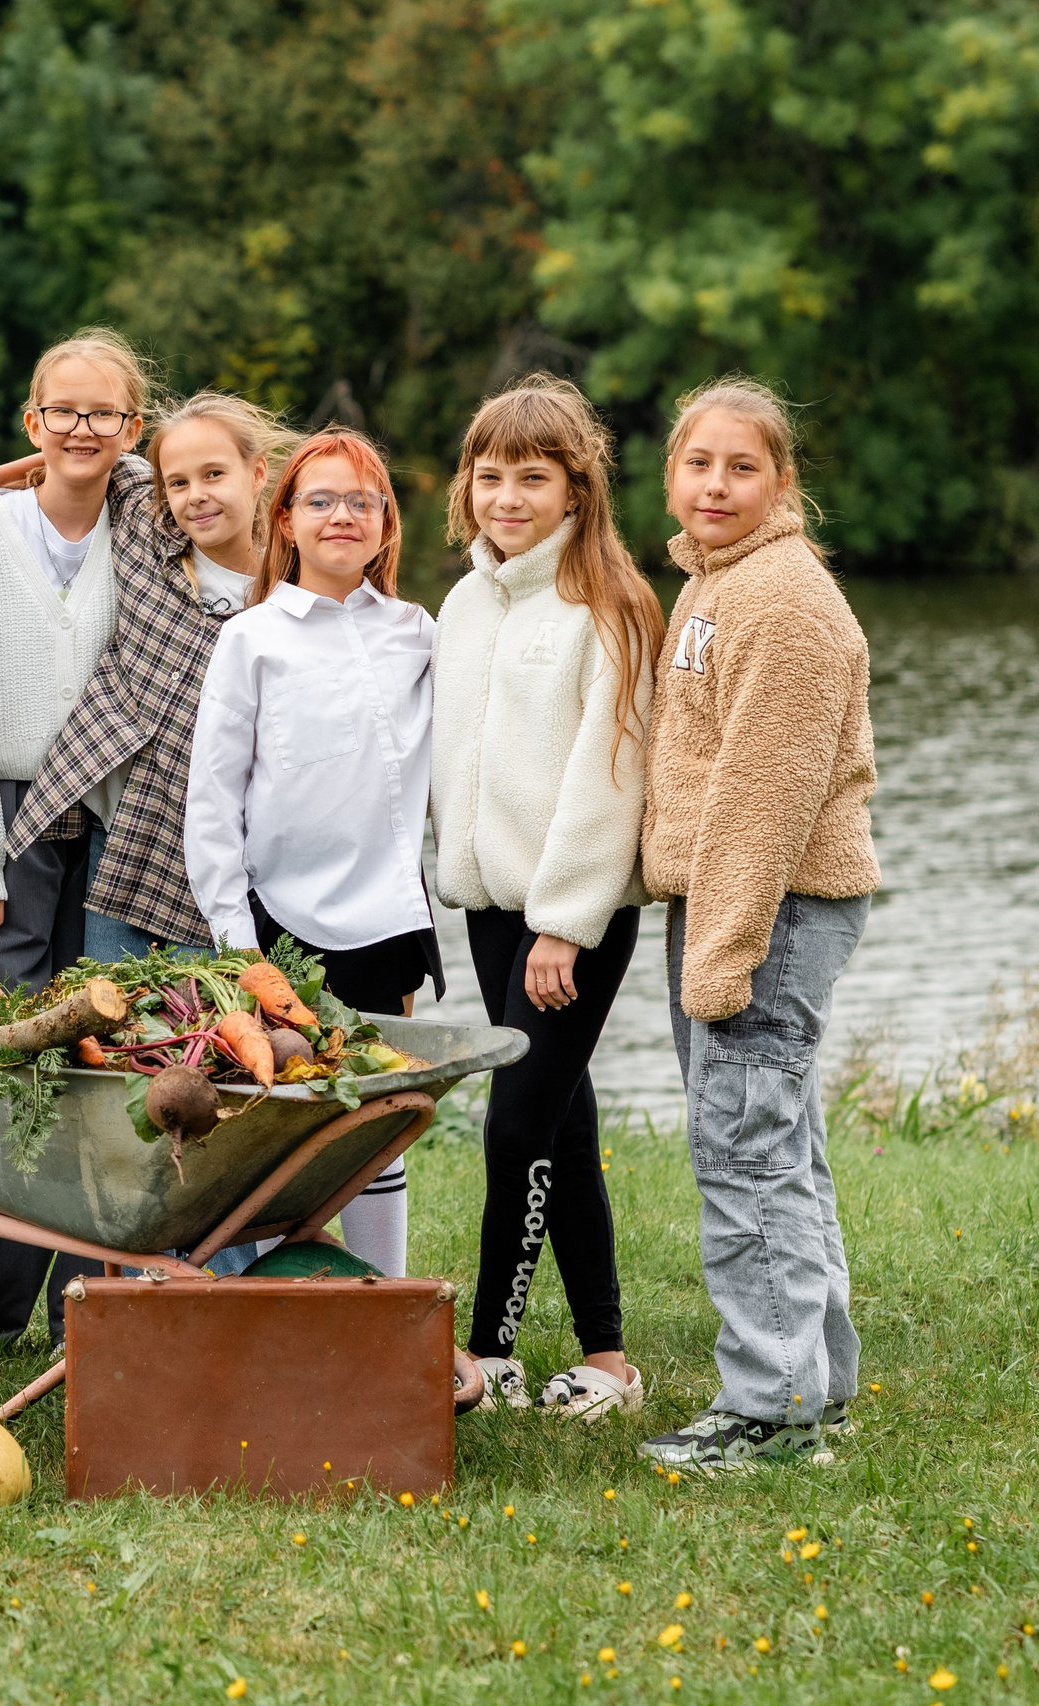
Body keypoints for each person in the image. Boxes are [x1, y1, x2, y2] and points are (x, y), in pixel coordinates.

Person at [0, 390, 298, 1349]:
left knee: (222, 1066)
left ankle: (219, 1284)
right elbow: (84, 464)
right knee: (105, 1070)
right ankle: (91, 1306)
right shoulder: (149, 528)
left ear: (263, 477)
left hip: (241, 860)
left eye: (217, 475)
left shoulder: (289, 591)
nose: (193, 494)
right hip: (116, 838)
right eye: (180, 480)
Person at [632, 377, 880, 1473]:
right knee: (779, 1144)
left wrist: (721, 953)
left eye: (742, 466)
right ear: (671, 474)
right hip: (736, 901)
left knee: (743, 1151)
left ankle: (770, 1412)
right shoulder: (718, 583)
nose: (716, 484)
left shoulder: (779, 598)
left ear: (783, 481)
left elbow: (763, 794)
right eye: (698, 463)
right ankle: (813, 1382)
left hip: (766, 907)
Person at [430, 376, 663, 1419]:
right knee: (561, 1121)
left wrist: (564, 922)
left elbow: (608, 776)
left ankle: (489, 1349)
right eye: (491, 475)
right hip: (487, 906)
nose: (508, 496)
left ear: (578, 489)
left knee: (514, 1123)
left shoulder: (604, 605)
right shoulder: (467, 601)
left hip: (569, 920)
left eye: (535, 476)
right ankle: (607, 1356)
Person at [183, 426, 442, 1278]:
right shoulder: (251, 638)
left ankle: (386, 1297)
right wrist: (235, 940)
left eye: (361, 502)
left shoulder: (418, 633)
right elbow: (214, 802)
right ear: (286, 521)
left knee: (379, 1117)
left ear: (385, 524)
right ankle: (276, 1303)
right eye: (320, 500)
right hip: (279, 924)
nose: (342, 516)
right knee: (281, 1122)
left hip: (387, 919)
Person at [0, 328, 146, 991]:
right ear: (32, 421)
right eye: (63, 411)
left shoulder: (147, 523)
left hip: (111, 811)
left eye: (103, 413)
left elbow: (178, 469)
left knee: (101, 1011)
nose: (82, 428)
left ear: (132, 429)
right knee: (1, 1018)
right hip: (6, 814)